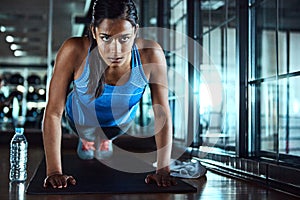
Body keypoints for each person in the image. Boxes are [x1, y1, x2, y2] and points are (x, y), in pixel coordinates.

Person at [42, 0, 176, 189]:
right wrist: (54, 171)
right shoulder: (74, 50)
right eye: (106, 37)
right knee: (88, 132)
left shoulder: (150, 54)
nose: (116, 50)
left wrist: (163, 168)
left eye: (124, 39)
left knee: (105, 135)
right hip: (79, 120)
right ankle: (88, 139)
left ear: (135, 32)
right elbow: (54, 112)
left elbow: (162, 113)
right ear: (94, 31)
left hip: (118, 124)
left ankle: (102, 141)